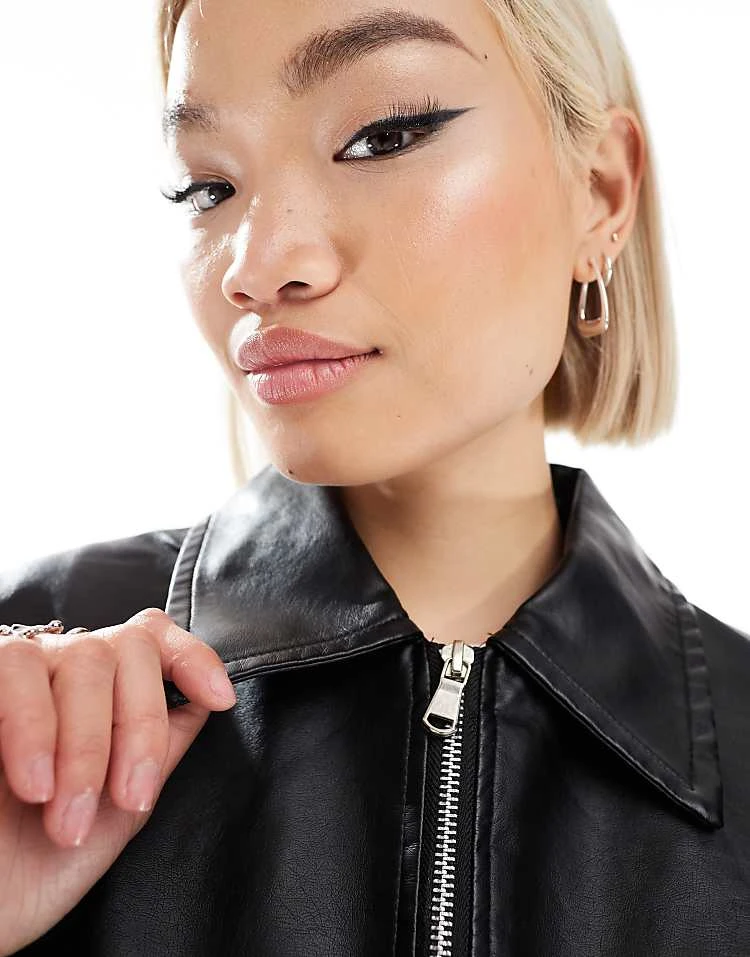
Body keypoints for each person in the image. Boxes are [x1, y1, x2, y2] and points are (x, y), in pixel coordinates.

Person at [1, 0, 748, 954]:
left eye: (382, 135)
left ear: (600, 192)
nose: (256, 265)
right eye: (207, 186)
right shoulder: (30, 689)